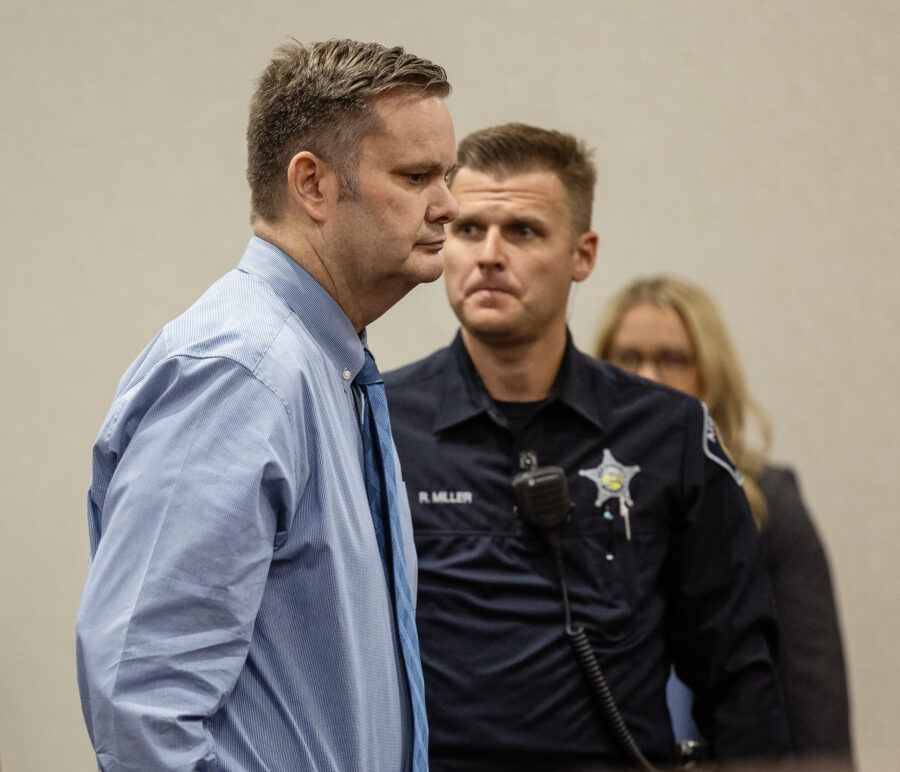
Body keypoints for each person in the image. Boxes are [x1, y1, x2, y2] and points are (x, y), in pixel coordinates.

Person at [76, 39, 458, 771]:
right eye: (415, 176)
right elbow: (143, 709)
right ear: (312, 185)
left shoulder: (325, 366)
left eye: (446, 175)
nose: (448, 205)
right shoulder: (242, 374)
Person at [383, 123, 790, 771]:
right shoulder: (381, 422)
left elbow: (738, 670)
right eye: (467, 229)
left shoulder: (669, 432)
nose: (489, 254)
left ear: (583, 253)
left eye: (522, 231)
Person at [594, 276, 853, 765]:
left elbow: (814, 687)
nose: (648, 375)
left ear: (710, 374)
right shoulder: (579, 500)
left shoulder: (771, 504)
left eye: (673, 358)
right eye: (627, 357)